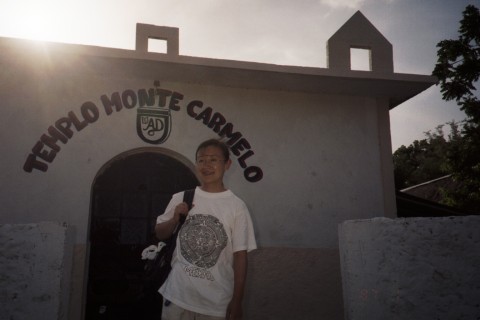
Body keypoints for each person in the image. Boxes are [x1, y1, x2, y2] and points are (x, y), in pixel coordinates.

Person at [155, 139, 257, 320]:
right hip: (177, 296)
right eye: (201, 160)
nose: (206, 165)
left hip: (216, 304)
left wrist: (237, 300)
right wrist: (175, 218)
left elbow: (240, 256)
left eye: (213, 160)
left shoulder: (236, 206)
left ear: (227, 164)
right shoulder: (181, 197)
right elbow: (160, 233)